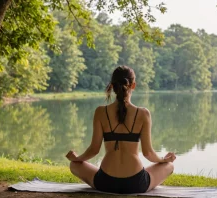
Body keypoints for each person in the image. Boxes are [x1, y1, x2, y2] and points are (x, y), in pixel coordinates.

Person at [65, 65, 176, 194]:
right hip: (136, 183)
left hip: (105, 182)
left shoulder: (101, 112)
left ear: (112, 86)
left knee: (74, 165)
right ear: (133, 85)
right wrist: (164, 159)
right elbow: (148, 154)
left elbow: (94, 150)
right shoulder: (143, 114)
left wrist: (77, 158)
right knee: (169, 166)